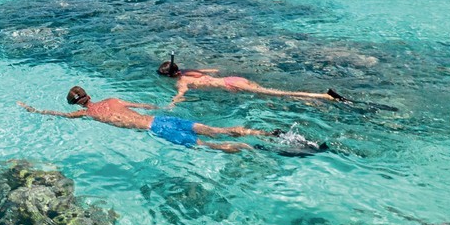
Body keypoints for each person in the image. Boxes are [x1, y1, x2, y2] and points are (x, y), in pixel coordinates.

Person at [18, 85, 275, 153]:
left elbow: (59, 115)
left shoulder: (88, 114)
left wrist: (32, 110)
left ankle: (251, 149)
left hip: (157, 130)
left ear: (77, 102)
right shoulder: (114, 100)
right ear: (88, 94)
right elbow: (148, 104)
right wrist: (169, 104)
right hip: (161, 118)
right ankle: (262, 134)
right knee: (217, 130)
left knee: (209, 146)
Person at [156, 54, 350, 106]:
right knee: (271, 96)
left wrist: (172, 104)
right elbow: (209, 70)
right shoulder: (188, 72)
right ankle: (313, 102)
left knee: (277, 93)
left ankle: (324, 96)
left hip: (230, 84)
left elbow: (181, 94)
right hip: (234, 79)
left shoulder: (182, 82)